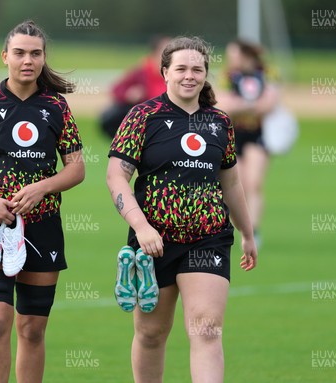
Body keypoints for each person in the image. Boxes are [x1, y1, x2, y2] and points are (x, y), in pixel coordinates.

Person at [106, 36, 257, 383]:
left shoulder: (220, 122)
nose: (189, 75)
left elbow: (231, 184)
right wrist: (141, 227)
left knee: (206, 329)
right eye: (181, 68)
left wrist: (248, 234)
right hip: (152, 241)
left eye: (197, 69)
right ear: (165, 72)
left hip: (209, 239)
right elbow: (116, 178)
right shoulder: (143, 116)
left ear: (206, 74)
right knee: (151, 334)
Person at [0, 20, 85, 383]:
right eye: (20, 53)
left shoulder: (56, 106)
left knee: (31, 329)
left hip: (42, 226)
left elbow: (76, 170)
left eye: (36, 53)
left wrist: (43, 187)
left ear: (43, 58)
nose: (28, 60)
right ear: (5, 56)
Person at [216, 39, 279, 246]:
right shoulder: (227, 76)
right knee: (236, 185)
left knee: (255, 183)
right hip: (233, 136)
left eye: (234, 54)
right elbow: (224, 106)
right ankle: (237, 228)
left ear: (246, 55)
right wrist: (251, 105)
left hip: (257, 134)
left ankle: (254, 229)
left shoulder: (267, 74)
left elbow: (268, 105)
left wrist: (240, 105)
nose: (231, 59)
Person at [99, 35, 170, 138]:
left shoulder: (177, 73)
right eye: (166, 51)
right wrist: (129, 94)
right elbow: (117, 89)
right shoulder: (142, 71)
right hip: (147, 122)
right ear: (154, 52)